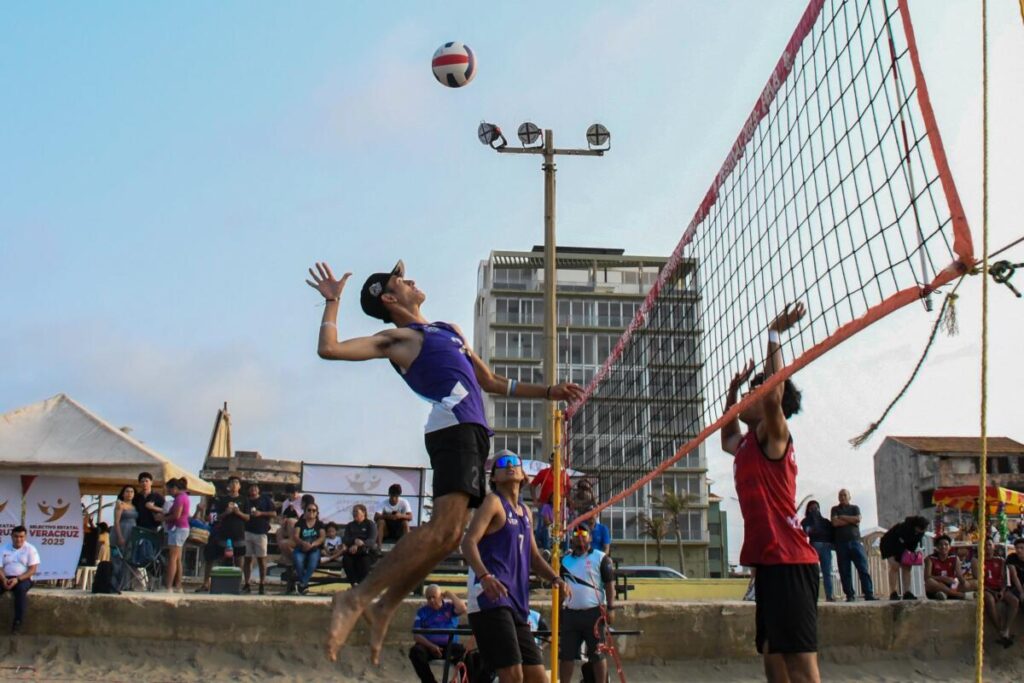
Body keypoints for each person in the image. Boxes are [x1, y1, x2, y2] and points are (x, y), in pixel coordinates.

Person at [306, 259, 583, 663]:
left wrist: (548, 392)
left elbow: (490, 382)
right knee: (441, 530)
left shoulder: (448, 330)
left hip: (472, 431)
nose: (413, 279)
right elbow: (329, 349)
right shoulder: (399, 338)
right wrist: (332, 303)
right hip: (451, 428)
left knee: (451, 536)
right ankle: (356, 598)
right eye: (402, 279)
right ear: (388, 297)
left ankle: (384, 606)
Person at [722, 302, 821, 683]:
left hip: (791, 560)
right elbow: (727, 435)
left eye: (754, 392)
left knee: (800, 666)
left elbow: (772, 398)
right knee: (771, 655)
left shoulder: (774, 437)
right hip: (768, 563)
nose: (751, 397)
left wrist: (774, 333)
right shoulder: (747, 444)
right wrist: (732, 392)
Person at [461, 451, 569, 683]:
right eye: (502, 463)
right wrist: (485, 576)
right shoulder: (493, 502)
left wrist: (555, 579)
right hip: (490, 598)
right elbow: (467, 542)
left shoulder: (526, 512)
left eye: (514, 462)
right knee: (513, 675)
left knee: (538, 677)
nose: (509, 465)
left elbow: (533, 556)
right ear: (494, 477)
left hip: (517, 602)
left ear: (523, 474)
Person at [559, 526, 615, 683]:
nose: (580, 538)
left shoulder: (601, 558)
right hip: (571, 614)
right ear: (572, 538)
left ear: (590, 537)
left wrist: (611, 608)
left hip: (594, 614)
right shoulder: (565, 560)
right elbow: (559, 586)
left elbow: (610, 584)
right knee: (566, 655)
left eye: (584, 534)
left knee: (597, 654)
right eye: (576, 534)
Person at [196, 477, 248, 592]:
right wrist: (227, 512)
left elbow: (248, 517)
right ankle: (209, 583)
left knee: (240, 558)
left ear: (239, 486)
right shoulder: (222, 500)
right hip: (223, 534)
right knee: (218, 558)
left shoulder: (244, 500)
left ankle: (238, 584)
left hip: (239, 534)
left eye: (236, 482)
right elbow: (216, 517)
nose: (234, 484)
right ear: (228, 486)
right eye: (232, 482)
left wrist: (238, 512)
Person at [409, 585, 468, 683]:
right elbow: (417, 635)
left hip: (450, 647)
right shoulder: (422, 612)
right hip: (429, 647)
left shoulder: (450, 608)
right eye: (428, 598)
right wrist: (431, 646)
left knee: (466, 655)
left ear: (441, 596)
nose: (431, 600)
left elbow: (462, 608)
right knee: (415, 652)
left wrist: (449, 594)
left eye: (434, 597)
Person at [829, 489, 876, 602]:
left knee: (863, 568)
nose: (842, 497)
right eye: (840, 495)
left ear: (849, 497)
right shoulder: (835, 509)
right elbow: (835, 522)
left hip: (855, 542)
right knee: (844, 571)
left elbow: (858, 519)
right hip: (841, 544)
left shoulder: (855, 508)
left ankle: (868, 593)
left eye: (845, 495)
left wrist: (842, 517)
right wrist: (851, 520)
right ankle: (850, 595)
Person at [974, 536, 1020, 647]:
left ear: (994, 546)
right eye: (985, 545)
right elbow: (978, 580)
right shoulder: (976, 560)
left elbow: (1004, 579)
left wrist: (1002, 591)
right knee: (989, 600)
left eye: (990, 545)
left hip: (999, 589)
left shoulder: (1000, 560)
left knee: (1014, 601)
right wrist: (992, 592)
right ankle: (999, 630)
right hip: (986, 589)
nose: (988, 547)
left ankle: (1006, 629)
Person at [0, 526, 40, 634]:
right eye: (16, 536)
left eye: (21, 537)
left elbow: (32, 570)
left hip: (23, 578)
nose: (19, 539)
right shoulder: (3, 548)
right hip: (5, 577)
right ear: (11, 537)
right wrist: (3, 579)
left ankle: (18, 622)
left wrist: (17, 580)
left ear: (25, 537)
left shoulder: (31, 549)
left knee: (20, 590)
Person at [879, 515, 929, 600]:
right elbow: (897, 542)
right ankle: (893, 592)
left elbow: (913, 544)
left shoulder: (921, 532)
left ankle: (907, 592)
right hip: (889, 545)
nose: (922, 531)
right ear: (916, 526)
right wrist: (899, 557)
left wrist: (910, 556)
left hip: (904, 547)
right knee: (895, 566)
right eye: (921, 529)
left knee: (907, 567)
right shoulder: (904, 527)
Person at [242, 481, 275, 595]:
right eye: (251, 487)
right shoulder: (245, 500)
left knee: (261, 559)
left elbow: (274, 513)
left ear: (258, 489)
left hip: (261, 531)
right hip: (247, 531)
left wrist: (261, 514)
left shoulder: (265, 499)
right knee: (247, 558)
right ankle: (247, 583)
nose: (253, 489)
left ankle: (262, 583)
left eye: (255, 487)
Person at [800, 500, 836, 602]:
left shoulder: (825, 522)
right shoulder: (805, 521)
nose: (814, 510)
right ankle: (812, 597)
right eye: (812, 508)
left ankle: (829, 596)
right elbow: (803, 534)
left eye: (816, 508)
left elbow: (832, 533)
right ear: (808, 510)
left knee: (827, 572)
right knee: (812, 573)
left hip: (825, 547)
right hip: (813, 547)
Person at [293, 502, 326, 594]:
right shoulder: (300, 523)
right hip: (301, 548)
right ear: (305, 511)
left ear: (317, 513)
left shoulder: (320, 524)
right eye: (309, 510)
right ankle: (304, 585)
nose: (311, 512)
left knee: (312, 563)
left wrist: (312, 544)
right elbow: (295, 536)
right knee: (298, 561)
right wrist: (303, 543)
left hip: (314, 549)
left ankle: (302, 584)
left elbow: (322, 537)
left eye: (314, 510)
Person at [164, 478, 190, 592]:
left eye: (169, 490)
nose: (168, 492)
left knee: (172, 558)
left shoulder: (180, 498)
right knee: (178, 558)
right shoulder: (184, 497)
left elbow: (176, 515)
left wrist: (163, 518)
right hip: (182, 528)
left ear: (174, 488)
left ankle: (169, 586)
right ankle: (178, 586)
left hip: (178, 529)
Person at [342, 504, 378, 585]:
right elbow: (345, 539)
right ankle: (354, 583)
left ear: (363, 512)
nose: (354, 513)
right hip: (352, 551)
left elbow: (372, 540)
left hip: (367, 552)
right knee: (346, 560)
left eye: (356, 511)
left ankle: (361, 586)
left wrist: (361, 543)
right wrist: (354, 541)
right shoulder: (350, 525)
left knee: (364, 562)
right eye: (353, 512)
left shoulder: (370, 524)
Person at [924, 534, 967, 600]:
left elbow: (959, 575)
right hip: (936, 587)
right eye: (940, 545)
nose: (943, 547)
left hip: (951, 585)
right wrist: (943, 578)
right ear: (937, 547)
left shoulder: (955, 558)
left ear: (949, 547)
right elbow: (927, 577)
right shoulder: (930, 558)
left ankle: (945, 594)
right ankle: (957, 595)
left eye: (946, 544)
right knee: (929, 581)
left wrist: (965, 583)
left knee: (973, 583)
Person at [113, 485, 138, 551]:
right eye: (127, 491)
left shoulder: (134, 506)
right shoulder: (120, 504)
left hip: (132, 531)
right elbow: (116, 521)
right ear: (123, 494)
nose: (129, 493)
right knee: (120, 553)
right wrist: (120, 537)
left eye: (132, 492)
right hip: (122, 530)